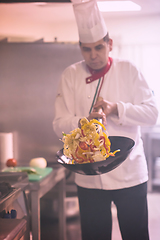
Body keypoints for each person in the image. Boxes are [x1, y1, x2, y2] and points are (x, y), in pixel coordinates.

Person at [53, 1, 158, 239]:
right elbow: (58, 124)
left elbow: (152, 114)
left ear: (109, 45)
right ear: (80, 48)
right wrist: (83, 123)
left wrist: (116, 108)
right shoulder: (70, 75)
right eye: (86, 49)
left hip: (130, 173)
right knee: (94, 236)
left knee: (136, 234)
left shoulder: (129, 70)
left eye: (99, 48)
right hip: (89, 178)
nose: (93, 55)